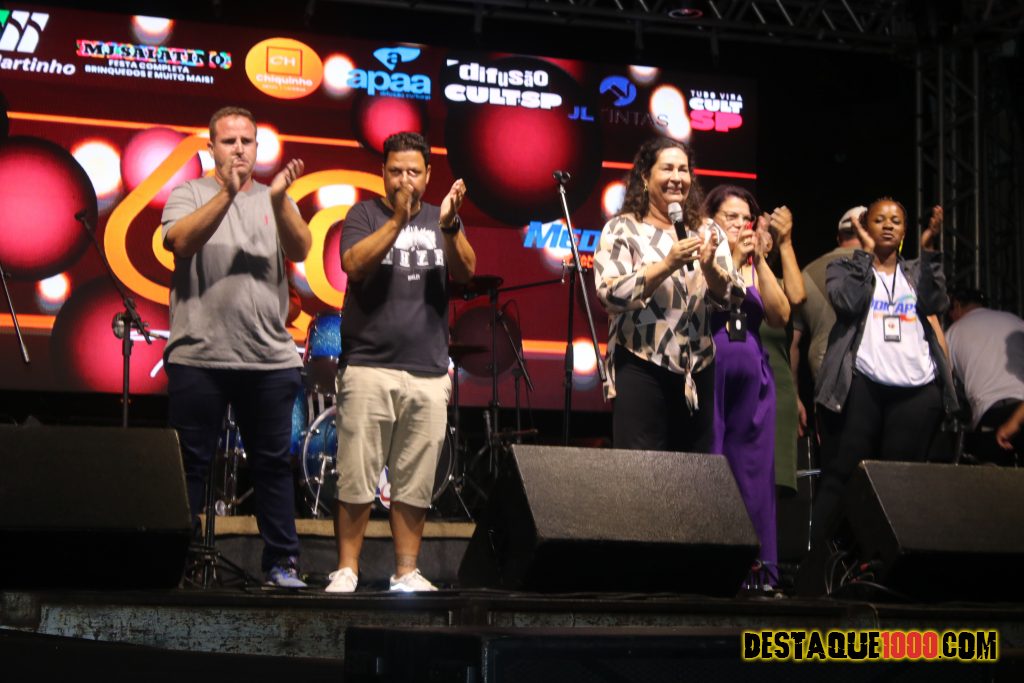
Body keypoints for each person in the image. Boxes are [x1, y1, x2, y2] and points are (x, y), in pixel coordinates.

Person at [161, 106, 312, 587]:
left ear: (257, 147)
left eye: (247, 141)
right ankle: (176, 565)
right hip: (198, 356)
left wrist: (281, 199)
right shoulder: (189, 193)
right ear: (211, 148)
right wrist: (227, 192)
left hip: (268, 360)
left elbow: (302, 248)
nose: (239, 149)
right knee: (189, 467)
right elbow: (181, 242)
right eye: (229, 142)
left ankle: (282, 563)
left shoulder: (274, 197)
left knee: (272, 466)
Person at [326, 132, 476, 593]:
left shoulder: (441, 218)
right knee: (357, 475)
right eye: (395, 171)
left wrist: (451, 226)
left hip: (428, 368)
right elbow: (353, 265)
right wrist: (397, 219)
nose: (404, 180)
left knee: (415, 480)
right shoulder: (364, 214)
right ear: (383, 173)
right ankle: (347, 569)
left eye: (413, 171)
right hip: (368, 365)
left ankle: (406, 571)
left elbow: (466, 270)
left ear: (428, 175)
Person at [811, 199, 957, 547]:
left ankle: (886, 562)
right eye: (879, 220)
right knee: (843, 473)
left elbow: (936, 303)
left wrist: (929, 250)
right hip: (863, 383)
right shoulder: (844, 268)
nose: (888, 225)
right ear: (866, 227)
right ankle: (821, 562)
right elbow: (848, 302)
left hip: (916, 388)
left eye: (896, 220)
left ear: (905, 231)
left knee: (899, 481)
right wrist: (865, 255)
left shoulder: (916, 272)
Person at [593, 137, 731, 452]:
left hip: (698, 368)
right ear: (645, 176)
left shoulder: (708, 231)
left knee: (693, 472)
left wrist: (710, 267)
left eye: (683, 170)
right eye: (667, 168)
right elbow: (608, 293)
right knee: (642, 472)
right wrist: (668, 264)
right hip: (641, 364)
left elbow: (731, 297)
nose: (677, 177)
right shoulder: (622, 229)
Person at [704, 185, 794, 586]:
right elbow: (714, 299)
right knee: (713, 464)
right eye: (731, 217)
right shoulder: (704, 258)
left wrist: (759, 262)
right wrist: (735, 258)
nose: (740, 224)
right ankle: (713, 567)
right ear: (712, 221)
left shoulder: (755, 264)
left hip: (754, 378)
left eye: (746, 218)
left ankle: (759, 572)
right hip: (712, 371)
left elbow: (780, 315)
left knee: (753, 472)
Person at [791, 206, 865, 435]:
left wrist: (794, 396)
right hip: (876, 378)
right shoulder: (882, 269)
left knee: (834, 451)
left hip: (827, 382)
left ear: (838, 237)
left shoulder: (806, 273)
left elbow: (792, 343)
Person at [945, 287, 1024, 464]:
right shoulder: (1015, 321)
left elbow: (943, 384)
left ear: (957, 305)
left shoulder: (952, 333)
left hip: (990, 412)